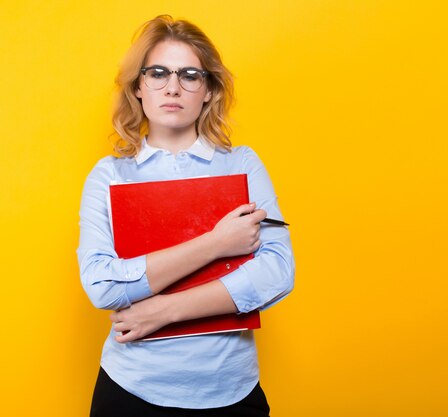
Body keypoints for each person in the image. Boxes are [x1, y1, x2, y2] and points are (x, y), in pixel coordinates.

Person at [77, 15, 295, 416]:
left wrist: (162, 310)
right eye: (157, 73)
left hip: (233, 389)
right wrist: (217, 243)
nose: (172, 87)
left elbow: (278, 272)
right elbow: (103, 286)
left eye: (190, 75)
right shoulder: (110, 175)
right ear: (138, 87)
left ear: (209, 90)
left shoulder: (242, 165)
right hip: (132, 390)